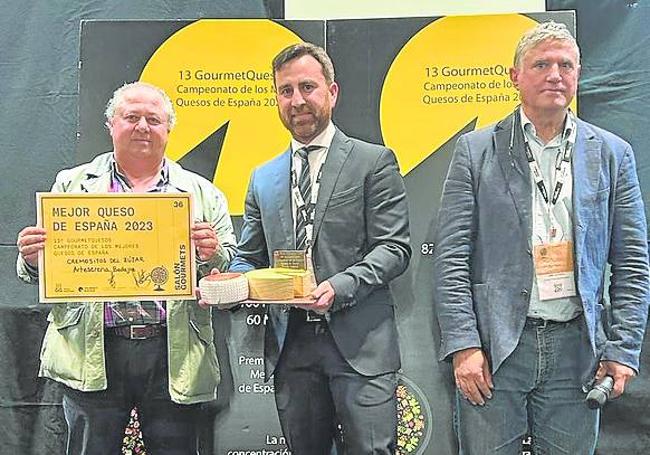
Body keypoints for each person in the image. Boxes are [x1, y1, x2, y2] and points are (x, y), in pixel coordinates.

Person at [433, 20, 650, 454]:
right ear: (515, 76)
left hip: (577, 350)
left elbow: (632, 261)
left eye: (565, 65)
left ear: (577, 75)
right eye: (541, 64)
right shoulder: (476, 152)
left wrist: (623, 348)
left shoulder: (612, 153)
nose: (555, 74)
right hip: (496, 351)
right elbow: (451, 256)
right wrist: (464, 346)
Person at [16, 81, 237, 455]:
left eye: (153, 119)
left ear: (168, 129)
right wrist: (33, 259)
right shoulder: (70, 185)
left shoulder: (201, 192)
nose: (142, 127)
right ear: (111, 125)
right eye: (131, 117)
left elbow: (231, 261)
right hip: (93, 350)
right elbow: (40, 269)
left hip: (172, 350)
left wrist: (211, 254)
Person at [226, 42, 411, 454]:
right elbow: (249, 255)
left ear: (332, 92)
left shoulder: (373, 161)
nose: (297, 101)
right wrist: (228, 282)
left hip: (359, 344)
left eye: (307, 87)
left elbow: (393, 248)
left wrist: (338, 287)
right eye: (286, 91)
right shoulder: (263, 178)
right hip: (291, 347)